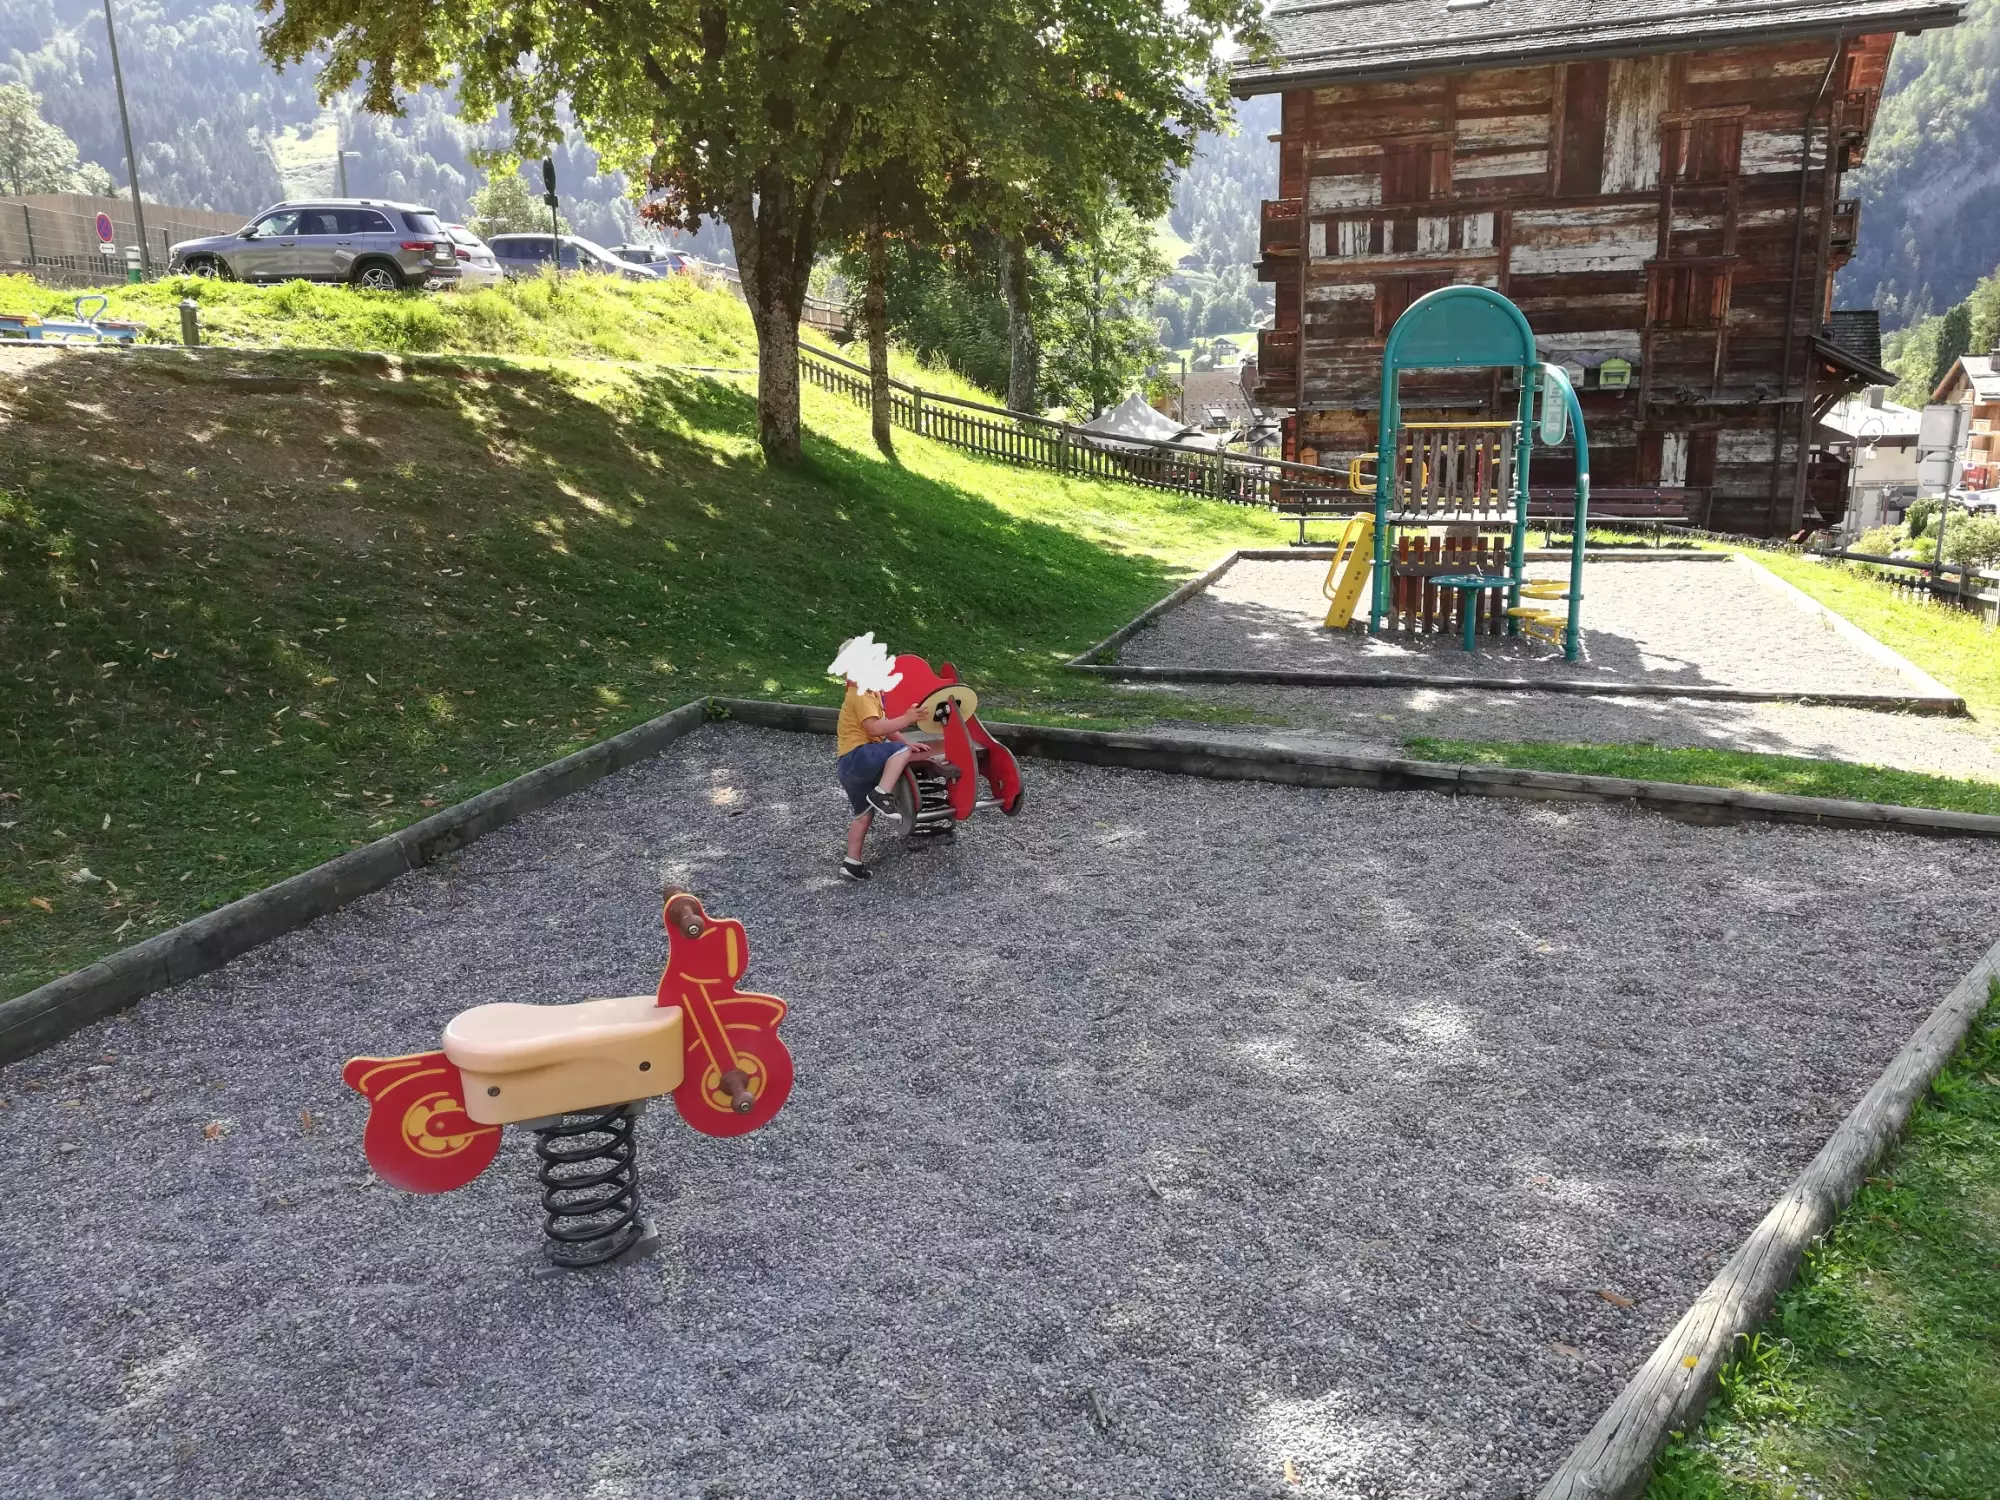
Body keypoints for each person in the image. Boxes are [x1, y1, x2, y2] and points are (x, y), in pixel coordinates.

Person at [827, 633, 944, 881]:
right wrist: (907, 721)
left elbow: (885, 726)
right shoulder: (861, 694)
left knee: (863, 815)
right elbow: (874, 729)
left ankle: (852, 863)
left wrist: (907, 743)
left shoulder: (869, 694)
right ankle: (881, 793)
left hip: (849, 766)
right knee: (899, 752)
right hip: (858, 757)